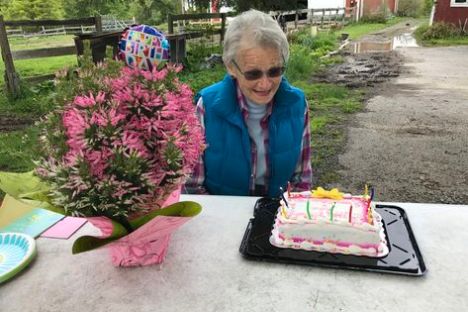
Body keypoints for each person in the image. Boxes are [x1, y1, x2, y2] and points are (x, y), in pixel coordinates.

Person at [185, 9, 312, 197]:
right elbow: (192, 187)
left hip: (279, 217)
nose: (265, 83)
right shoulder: (206, 107)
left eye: (275, 71)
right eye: (253, 73)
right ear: (230, 67)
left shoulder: (297, 105)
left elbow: (302, 181)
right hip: (223, 219)